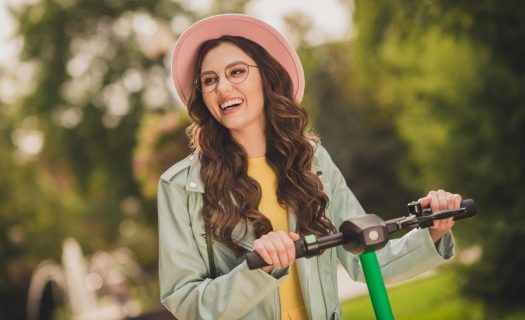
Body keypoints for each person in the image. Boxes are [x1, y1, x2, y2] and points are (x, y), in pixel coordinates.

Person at [158, 13, 458, 320]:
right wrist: (259, 270)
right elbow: (185, 301)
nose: (222, 88)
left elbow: (363, 258)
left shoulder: (310, 160)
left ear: (266, 76)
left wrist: (431, 232)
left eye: (236, 72)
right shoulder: (182, 186)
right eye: (210, 80)